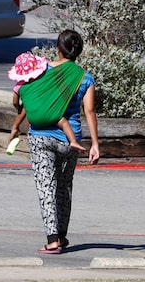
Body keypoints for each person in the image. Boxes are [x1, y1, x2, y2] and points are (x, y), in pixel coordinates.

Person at [9, 30, 100, 254]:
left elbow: (28, 100)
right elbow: (89, 111)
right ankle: (61, 235)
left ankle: (52, 240)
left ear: (58, 48)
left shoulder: (41, 70)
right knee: (64, 187)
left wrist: (16, 125)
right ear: (78, 52)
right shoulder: (84, 77)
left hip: (40, 136)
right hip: (70, 140)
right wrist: (95, 143)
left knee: (45, 187)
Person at [8, 51, 86, 154]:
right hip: (51, 114)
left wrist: (18, 106)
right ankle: (73, 141)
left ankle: (29, 134)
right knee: (63, 122)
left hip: (35, 117)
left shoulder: (20, 86)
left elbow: (15, 101)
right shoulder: (40, 79)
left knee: (30, 117)